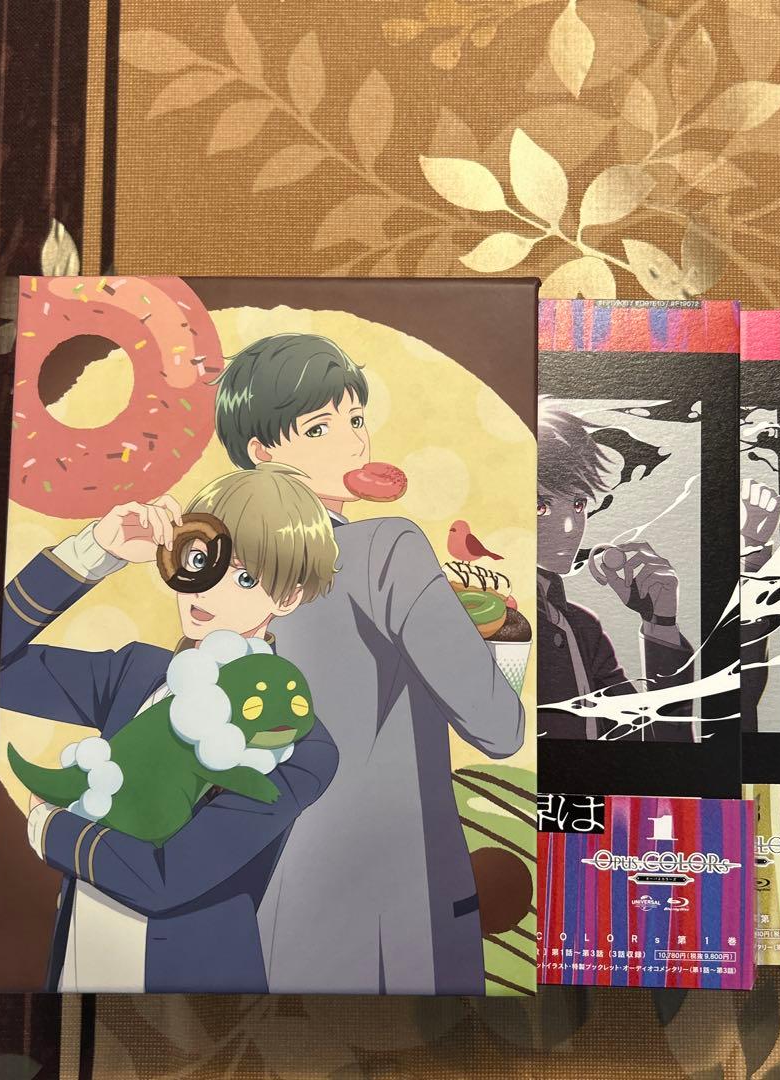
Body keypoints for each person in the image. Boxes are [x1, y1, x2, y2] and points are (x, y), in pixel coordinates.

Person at [214, 332, 525, 995]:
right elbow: (500, 728)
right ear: (262, 453)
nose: (355, 443)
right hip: (398, 912)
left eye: (356, 419)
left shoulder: (222, 577)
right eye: (319, 428)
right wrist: (506, 636)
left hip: (267, 904)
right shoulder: (386, 547)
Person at [0, 465, 339, 992]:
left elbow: (165, 879)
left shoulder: (299, 743)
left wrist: (50, 829)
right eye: (200, 560)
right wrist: (94, 551)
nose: (208, 591)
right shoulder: (136, 673)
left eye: (245, 577)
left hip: (196, 990)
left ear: (287, 598)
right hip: (77, 962)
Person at [535, 398, 694, 741]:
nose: (570, 527)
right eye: (541, 506)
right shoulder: (481, 616)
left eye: (578, 504)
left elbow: (654, 746)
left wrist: (660, 622)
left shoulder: (581, 628)